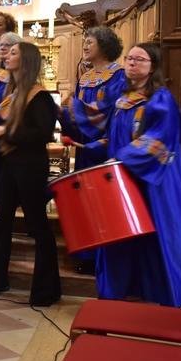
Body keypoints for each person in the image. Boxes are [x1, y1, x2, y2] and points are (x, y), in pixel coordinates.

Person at [82, 43, 181, 307]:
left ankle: (163, 294)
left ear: (153, 66)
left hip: (154, 180)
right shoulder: (122, 98)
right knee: (122, 232)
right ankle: (124, 289)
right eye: (129, 58)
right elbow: (113, 136)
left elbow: (159, 139)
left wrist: (122, 158)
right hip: (124, 177)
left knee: (156, 233)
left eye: (139, 59)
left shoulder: (160, 99)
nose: (132, 63)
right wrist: (91, 145)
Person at [0, 42, 62, 306]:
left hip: (30, 166)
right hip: (9, 163)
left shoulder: (40, 96)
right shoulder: (13, 93)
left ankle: (46, 289)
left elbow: (42, 133)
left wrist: (4, 131)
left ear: (26, 61)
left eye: (13, 52)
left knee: (37, 226)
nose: (6, 55)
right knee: (2, 223)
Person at [59, 26, 126, 275]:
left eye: (90, 42)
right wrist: (62, 113)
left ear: (105, 45)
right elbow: (76, 115)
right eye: (84, 42)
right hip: (85, 151)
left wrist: (74, 108)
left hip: (107, 148)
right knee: (85, 202)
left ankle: (105, 259)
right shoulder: (85, 77)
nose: (85, 46)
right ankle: (87, 255)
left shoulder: (119, 76)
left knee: (104, 204)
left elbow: (110, 111)